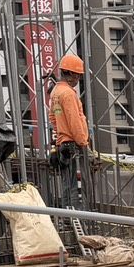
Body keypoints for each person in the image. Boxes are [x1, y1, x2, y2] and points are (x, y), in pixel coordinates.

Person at [47, 53, 90, 208]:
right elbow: (74, 121)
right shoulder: (68, 94)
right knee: (76, 188)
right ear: (72, 74)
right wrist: (83, 142)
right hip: (72, 144)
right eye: (78, 75)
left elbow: (53, 117)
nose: (78, 79)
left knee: (67, 183)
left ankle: (66, 215)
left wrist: (59, 136)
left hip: (63, 144)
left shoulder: (56, 92)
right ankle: (76, 216)